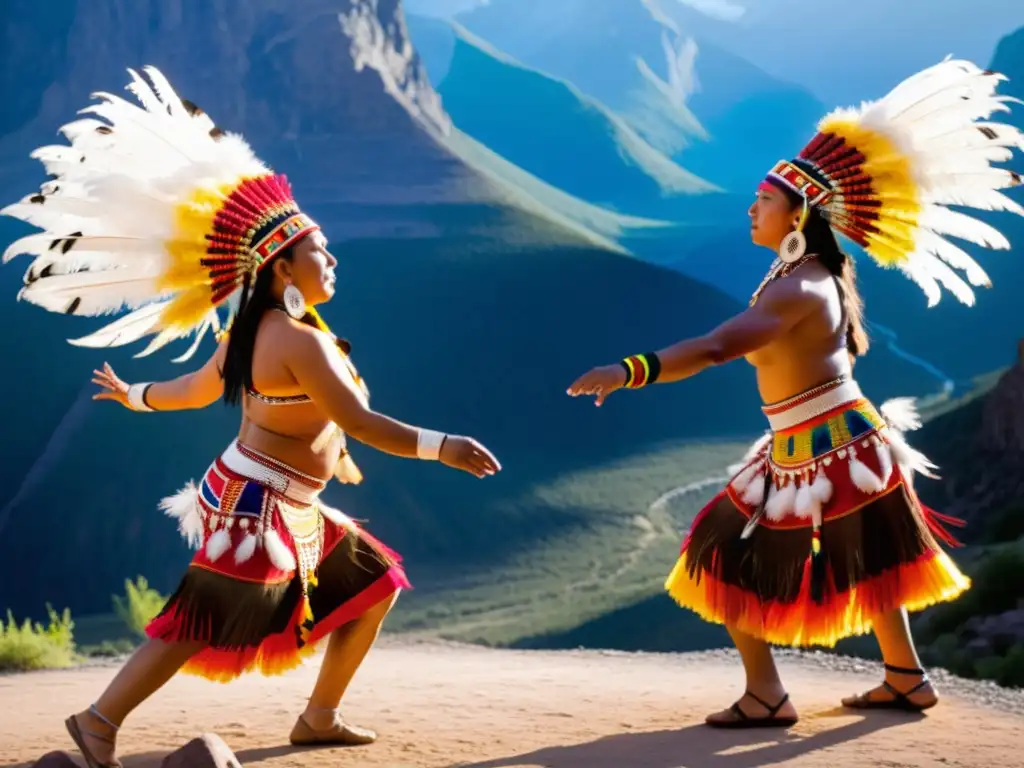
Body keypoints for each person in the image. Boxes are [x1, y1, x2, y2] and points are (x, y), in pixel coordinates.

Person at [1, 66, 501, 767]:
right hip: (256, 505)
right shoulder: (296, 341)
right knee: (196, 618)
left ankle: (318, 716)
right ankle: (97, 720)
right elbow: (357, 421)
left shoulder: (250, 333)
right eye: (317, 251)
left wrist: (137, 394)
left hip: (277, 497)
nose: (331, 258)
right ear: (280, 267)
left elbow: (195, 389)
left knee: (375, 583)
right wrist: (443, 446)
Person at [568, 57, 1023, 728]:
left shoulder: (799, 287)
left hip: (828, 447)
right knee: (868, 563)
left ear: (797, 214)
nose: (751, 208)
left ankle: (767, 693)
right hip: (834, 441)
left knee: (718, 551)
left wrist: (629, 369)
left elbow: (720, 346)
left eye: (764, 201)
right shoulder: (810, 276)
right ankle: (905, 677)